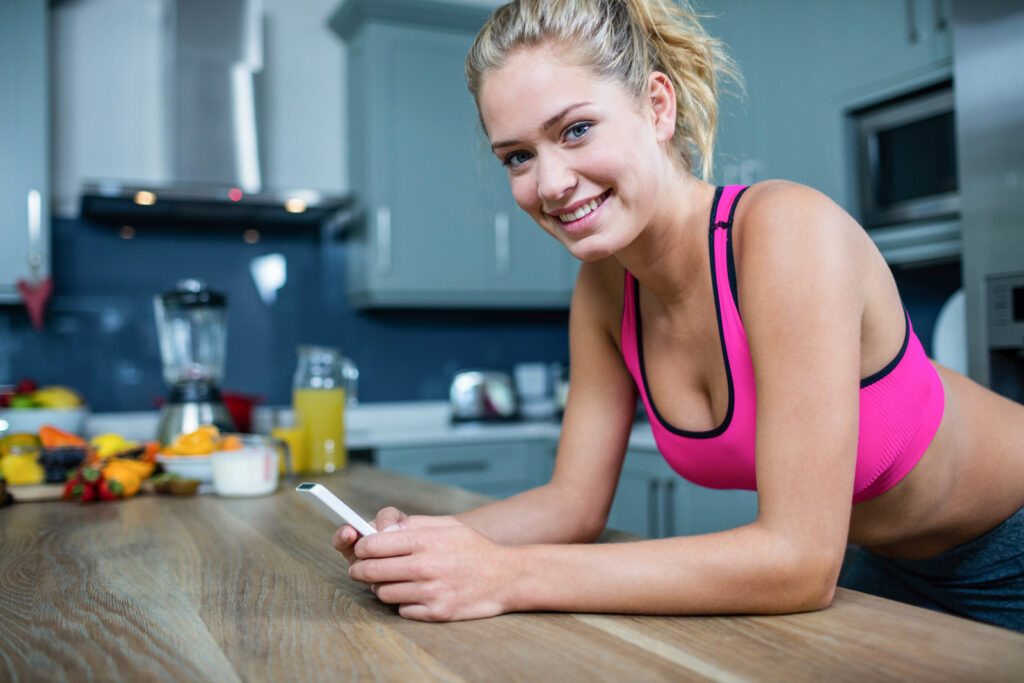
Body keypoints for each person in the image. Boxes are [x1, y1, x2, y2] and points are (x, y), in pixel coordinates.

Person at [334, 0, 1024, 630]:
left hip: (1009, 540)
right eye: (518, 156)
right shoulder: (604, 287)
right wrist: (429, 541)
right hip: (881, 562)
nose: (548, 183)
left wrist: (506, 573)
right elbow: (573, 503)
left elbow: (798, 559)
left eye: (575, 130)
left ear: (657, 107)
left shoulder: (786, 233)